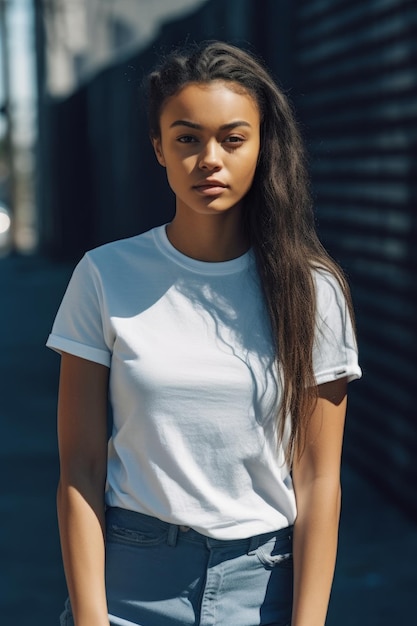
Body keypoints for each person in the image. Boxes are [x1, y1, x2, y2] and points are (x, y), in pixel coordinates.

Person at [47, 40, 361, 626]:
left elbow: (319, 480)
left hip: (264, 589)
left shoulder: (312, 292)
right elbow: (80, 468)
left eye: (232, 139)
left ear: (263, 146)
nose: (208, 159)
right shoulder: (104, 275)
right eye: (187, 138)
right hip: (128, 586)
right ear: (158, 149)